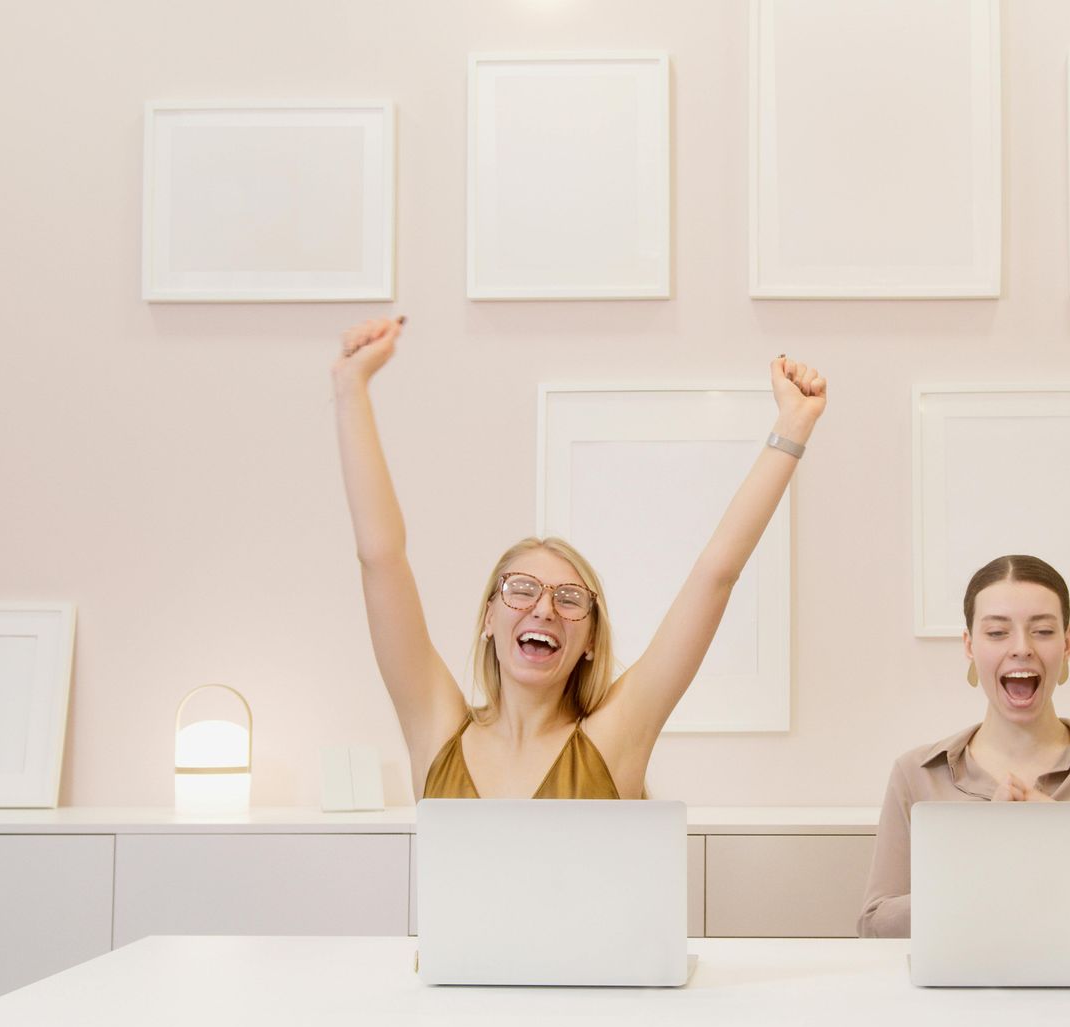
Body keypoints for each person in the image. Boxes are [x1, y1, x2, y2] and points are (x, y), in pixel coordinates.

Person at [331, 317, 826, 800]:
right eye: (520, 589)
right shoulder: (436, 729)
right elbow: (380, 558)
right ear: (488, 617)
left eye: (569, 600)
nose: (543, 609)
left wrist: (793, 426)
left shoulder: (613, 739)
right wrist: (351, 387)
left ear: (590, 640)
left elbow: (716, 573)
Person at [856, 554, 1070, 937]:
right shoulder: (914, 774)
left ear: (1067, 643)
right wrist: (987, 855)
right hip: (960, 997)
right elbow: (876, 927)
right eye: (997, 632)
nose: (1022, 648)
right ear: (969, 645)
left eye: (1043, 631)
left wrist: (1068, 836)